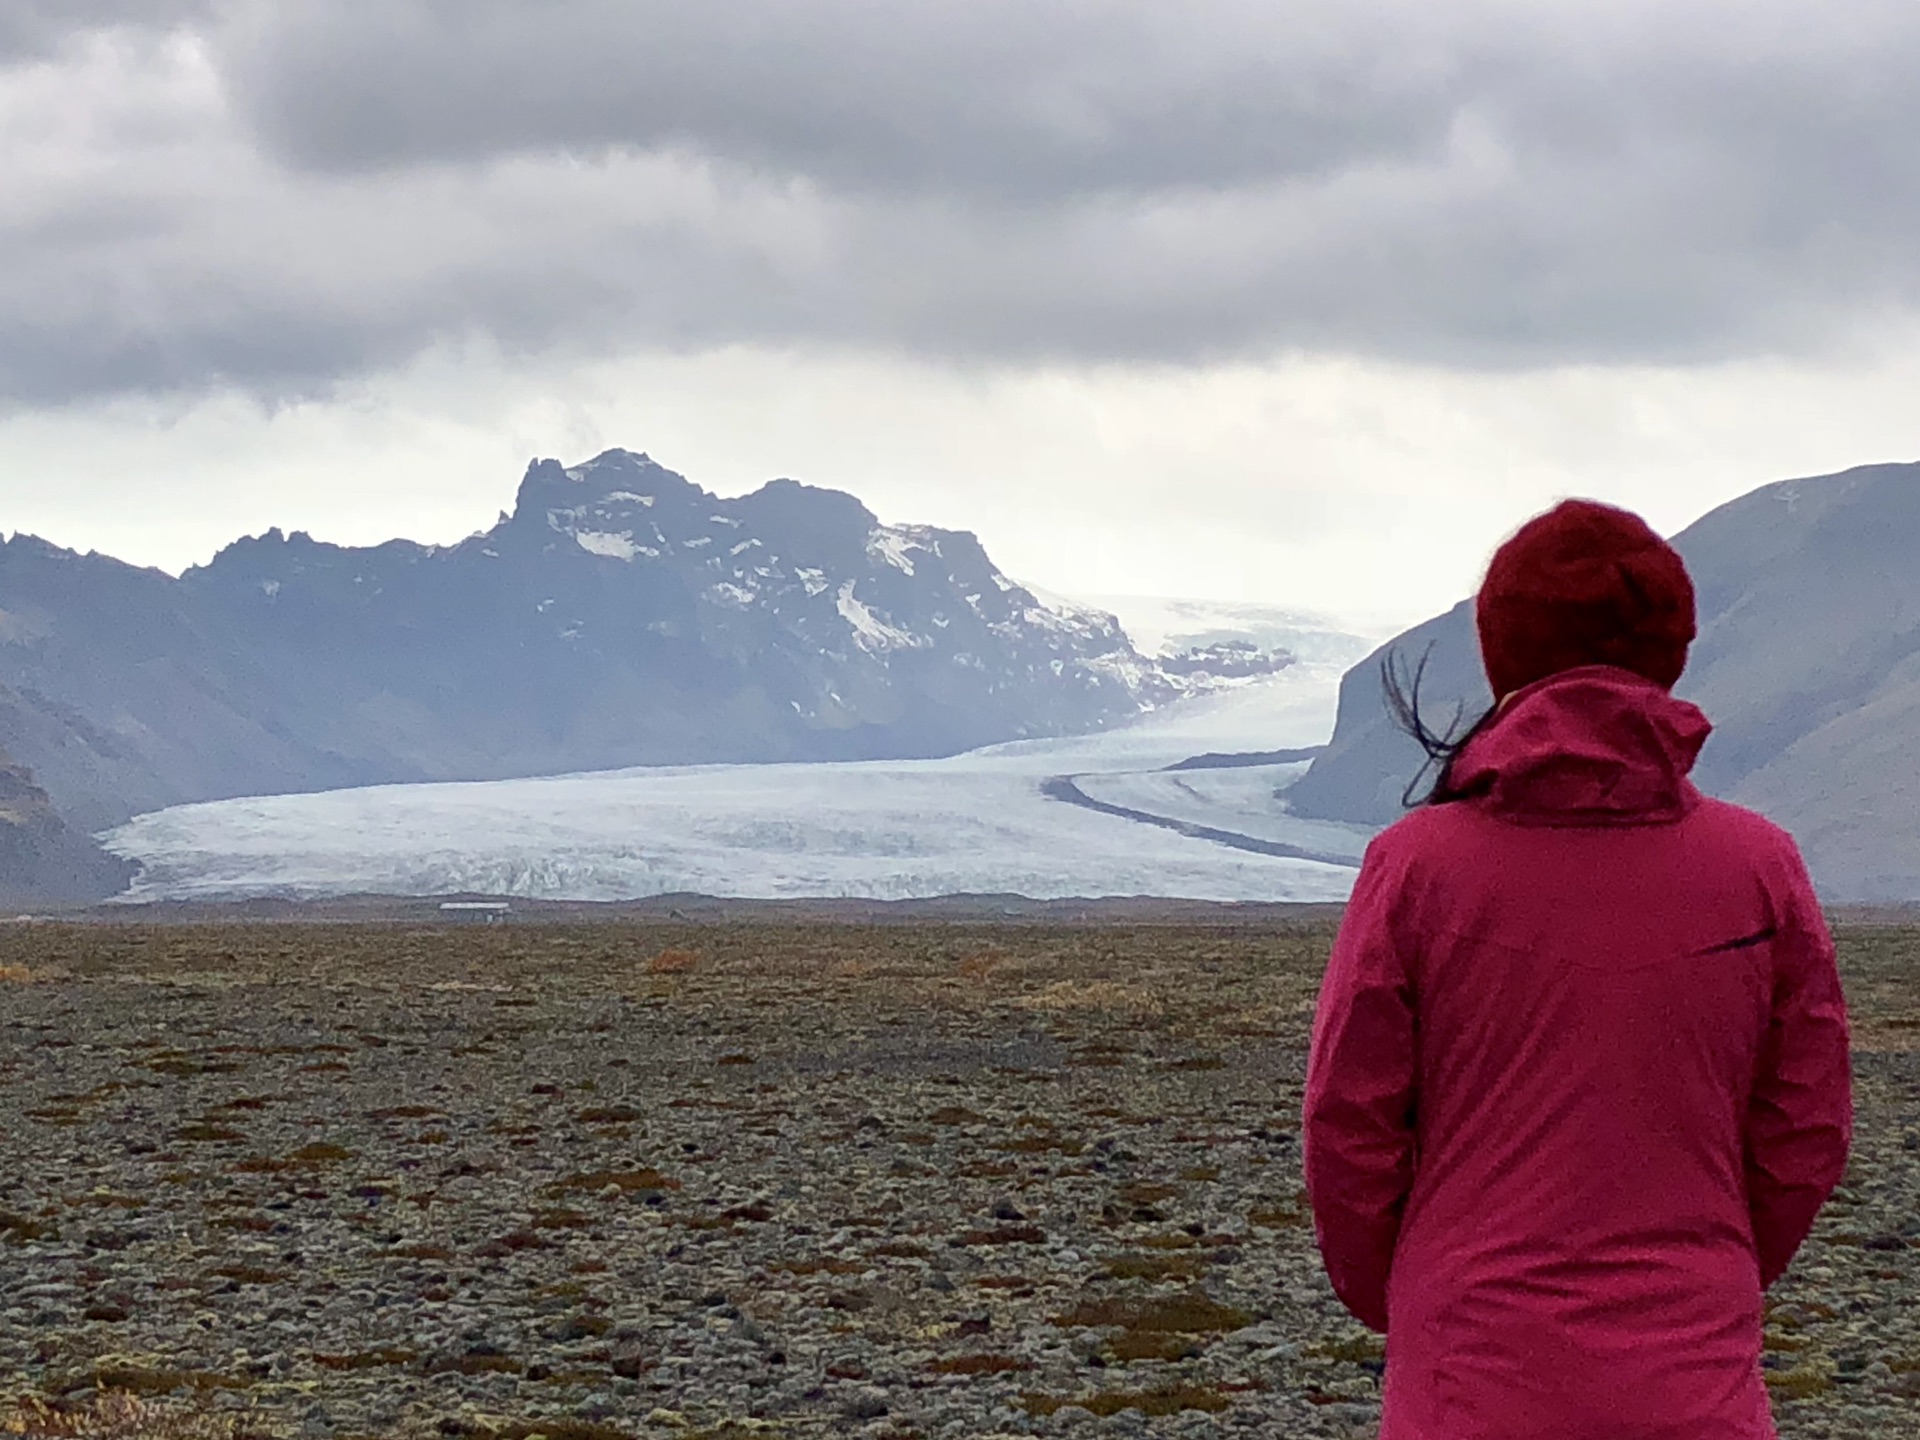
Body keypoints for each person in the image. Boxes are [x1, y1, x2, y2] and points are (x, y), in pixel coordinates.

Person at [1302, 499, 1852, 1439]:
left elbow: (1349, 1122)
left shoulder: (1418, 866)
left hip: (1470, 1373)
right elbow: (1805, 1119)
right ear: (1671, 648)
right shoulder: (1758, 867)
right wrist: (1711, 1272)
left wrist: (1413, 1293)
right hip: (1696, 1377)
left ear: (1501, 647)